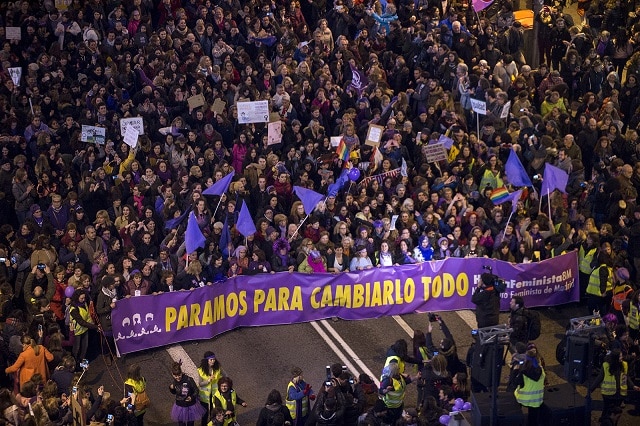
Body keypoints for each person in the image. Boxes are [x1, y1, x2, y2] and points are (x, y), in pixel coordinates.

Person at [590, 349, 640, 419]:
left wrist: (633, 386)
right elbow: (599, 378)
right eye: (620, 356)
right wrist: (591, 390)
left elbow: (626, 377)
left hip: (619, 394)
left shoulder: (624, 365)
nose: (622, 358)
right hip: (608, 394)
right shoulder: (606, 365)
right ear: (615, 358)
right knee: (607, 410)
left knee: (616, 413)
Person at [379, 359, 418, 425]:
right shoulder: (388, 380)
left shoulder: (400, 377)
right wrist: (386, 390)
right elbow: (380, 390)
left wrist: (416, 377)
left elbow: (406, 381)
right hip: (389, 407)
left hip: (398, 405)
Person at [513, 346, 546, 425]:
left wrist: (515, 371)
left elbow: (515, 382)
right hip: (537, 400)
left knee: (513, 396)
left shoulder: (523, 371)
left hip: (523, 399)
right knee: (533, 420)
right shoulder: (541, 370)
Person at [169, 361, 206, 426]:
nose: (178, 377)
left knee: (190, 424)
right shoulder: (175, 381)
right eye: (175, 376)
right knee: (181, 424)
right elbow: (175, 392)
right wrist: (171, 388)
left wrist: (191, 397)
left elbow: (196, 390)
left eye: (179, 375)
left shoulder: (189, 380)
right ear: (172, 374)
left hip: (190, 406)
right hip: (180, 405)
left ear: (181, 372)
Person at [68, 288, 98, 364]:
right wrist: (94, 327)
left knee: (85, 346)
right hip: (77, 331)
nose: (83, 299)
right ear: (77, 298)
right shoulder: (73, 309)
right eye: (81, 298)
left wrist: (92, 324)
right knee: (76, 348)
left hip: (85, 329)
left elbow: (87, 316)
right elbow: (81, 322)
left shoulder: (84, 303)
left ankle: (81, 361)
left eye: (84, 298)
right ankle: (75, 363)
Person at [198, 351, 224, 426]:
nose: (213, 361)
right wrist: (208, 380)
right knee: (205, 413)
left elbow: (225, 376)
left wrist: (221, 381)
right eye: (211, 359)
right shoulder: (200, 370)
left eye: (214, 359)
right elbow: (200, 384)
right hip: (204, 395)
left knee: (213, 412)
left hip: (215, 394)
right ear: (207, 360)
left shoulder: (218, 368)